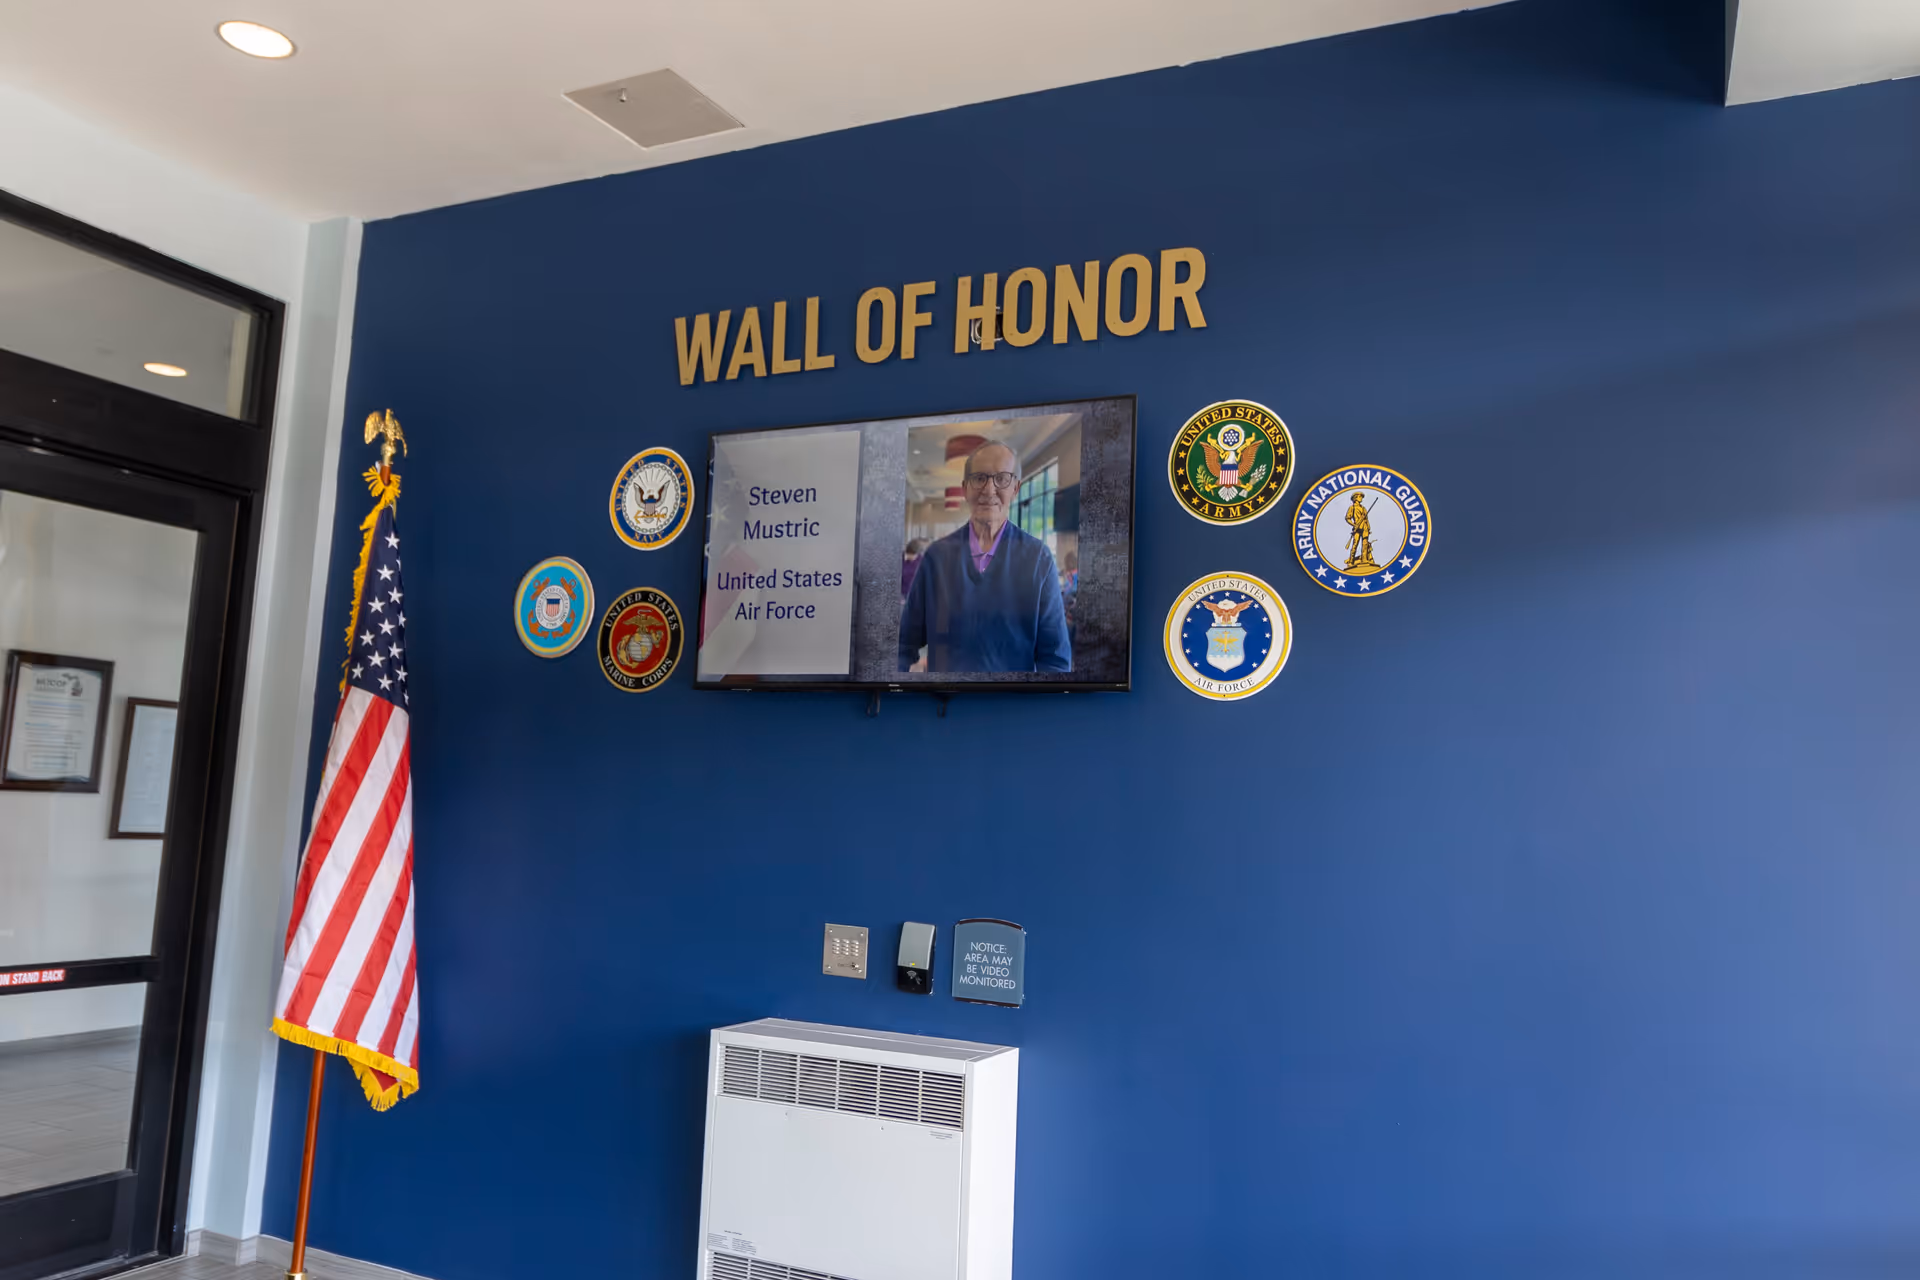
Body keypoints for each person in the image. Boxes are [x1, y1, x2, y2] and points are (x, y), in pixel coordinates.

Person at [898, 441, 1071, 672]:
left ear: (1016, 488)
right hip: (943, 705)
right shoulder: (936, 557)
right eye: (979, 478)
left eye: (1002, 479)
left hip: (1011, 705)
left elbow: (1055, 660)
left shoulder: (1038, 559)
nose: (989, 490)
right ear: (965, 488)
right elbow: (903, 644)